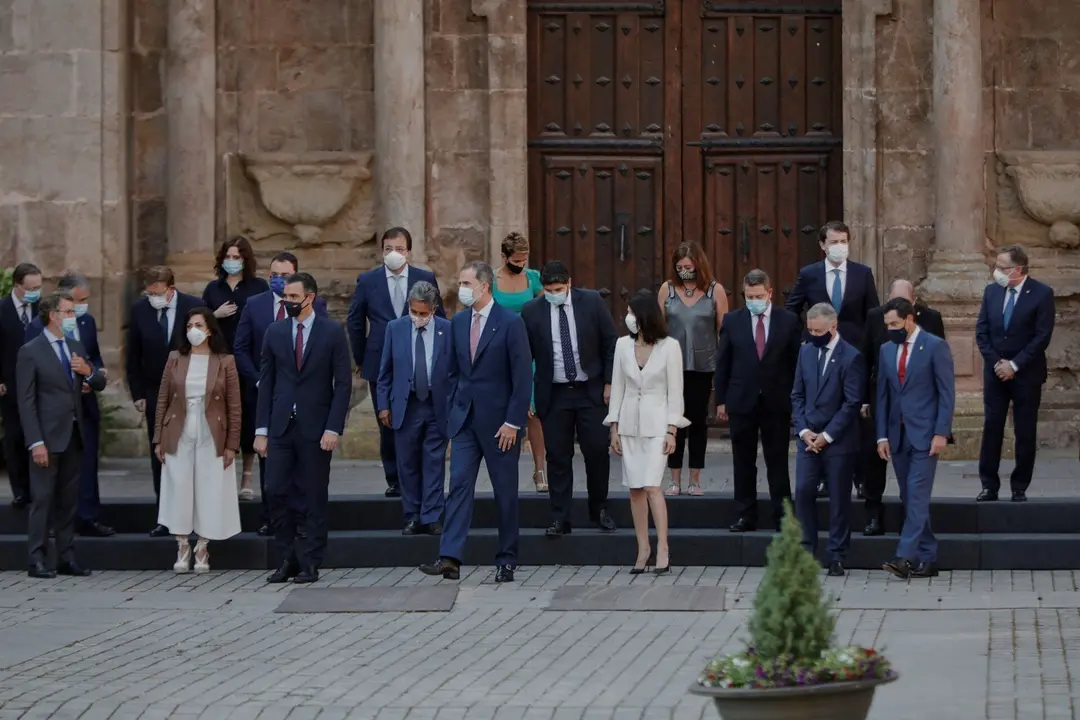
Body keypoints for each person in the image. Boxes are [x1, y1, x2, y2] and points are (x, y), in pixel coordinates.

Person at [419, 262, 532, 583]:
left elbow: (522, 377)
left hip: (500, 426)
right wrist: (453, 412)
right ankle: (450, 557)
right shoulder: (458, 323)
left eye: (466, 282)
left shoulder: (510, 323)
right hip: (466, 421)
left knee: (505, 492)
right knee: (458, 488)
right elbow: (452, 371)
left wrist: (513, 421)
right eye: (460, 282)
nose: (461, 288)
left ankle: (507, 558)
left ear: (484, 286)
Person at [256, 273, 352, 585]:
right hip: (281, 427)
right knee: (275, 490)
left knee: (313, 495)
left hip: (316, 428)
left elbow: (343, 385)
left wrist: (333, 428)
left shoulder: (332, 332)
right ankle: (287, 558)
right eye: (286, 297)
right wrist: (261, 429)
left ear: (309, 297)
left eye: (294, 298)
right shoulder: (274, 332)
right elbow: (266, 382)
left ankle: (311, 560)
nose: (288, 303)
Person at [233, 251, 328, 536]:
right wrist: (260, 380)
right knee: (269, 460)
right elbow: (241, 347)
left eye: (284, 276)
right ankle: (270, 518)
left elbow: (319, 347)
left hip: (301, 398)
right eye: (273, 275)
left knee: (300, 463)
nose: (277, 280)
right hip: (266, 395)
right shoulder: (254, 304)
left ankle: (299, 518)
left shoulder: (316, 305)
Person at [521, 261, 618, 535]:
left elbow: (610, 342)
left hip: (590, 390)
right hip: (555, 393)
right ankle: (560, 517)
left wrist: (609, 382)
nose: (554, 293)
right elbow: (524, 355)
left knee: (597, 451)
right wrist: (526, 396)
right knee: (558, 456)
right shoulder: (532, 311)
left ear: (569, 284)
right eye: (549, 289)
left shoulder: (592, 302)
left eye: (559, 288)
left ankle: (599, 509)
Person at [347, 228, 444, 498]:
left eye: (399, 249)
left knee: (420, 421)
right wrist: (361, 357)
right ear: (382, 251)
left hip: (419, 361)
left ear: (409, 252)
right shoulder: (368, 280)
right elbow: (355, 321)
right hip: (380, 362)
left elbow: (441, 319)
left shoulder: (424, 278)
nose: (394, 254)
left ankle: (422, 477)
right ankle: (395, 479)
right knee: (387, 422)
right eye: (388, 248)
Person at [17, 291, 107, 578]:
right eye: (68, 312)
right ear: (53, 315)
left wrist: (88, 373)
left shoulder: (75, 345)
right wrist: (36, 441)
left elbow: (97, 381)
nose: (73, 316)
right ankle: (37, 558)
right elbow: (26, 401)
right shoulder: (30, 350)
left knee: (69, 500)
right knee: (43, 498)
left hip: (74, 433)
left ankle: (66, 556)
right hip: (46, 436)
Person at [786, 220, 879, 497]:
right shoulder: (810, 274)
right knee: (823, 412)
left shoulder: (863, 274)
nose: (840, 247)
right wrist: (804, 340)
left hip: (853, 357)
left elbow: (872, 315)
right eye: (834, 242)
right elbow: (792, 309)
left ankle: (860, 478)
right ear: (822, 245)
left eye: (844, 241)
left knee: (857, 415)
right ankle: (825, 477)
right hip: (820, 354)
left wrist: (869, 352)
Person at [23, 271, 114, 537]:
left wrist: (92, 372)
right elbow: (32, 375)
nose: (79, 311)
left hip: (83, 409)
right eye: (73, 305)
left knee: (84, 468)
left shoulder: (85, 324)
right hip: (52, 416)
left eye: (81, 305)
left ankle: (87, 517)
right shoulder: (36, 330)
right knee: (52, 478)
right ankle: (51, 529)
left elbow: (94, 359)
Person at [153, 308, 243, 573]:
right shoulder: (175, 359)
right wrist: (158, 437)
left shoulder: (225, 361)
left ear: (210, 330)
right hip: (179, 429)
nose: (193, 329)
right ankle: (181, 544)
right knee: (178, 486)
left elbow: (234, 406)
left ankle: (202, 546)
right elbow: (162, 400)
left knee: (209, 487)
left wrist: (232, 444)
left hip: (211, 431)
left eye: (199, 325)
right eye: (189, 325)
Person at [605, 290, 687, 574]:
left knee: (653, 485)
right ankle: (643, 548)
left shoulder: (669, 347)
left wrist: (672, 430)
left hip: (657, 426)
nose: (627, 317)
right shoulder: (621, 346)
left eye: (631, 312)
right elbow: (618, 388)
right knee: (635, 489)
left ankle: (663, 546)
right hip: (629, 426)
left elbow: (675, 392)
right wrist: (614, 427)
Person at [715, 270, 801, 533]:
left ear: (770, 293)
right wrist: (721, 400)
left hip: (776, 401)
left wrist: (797, 402)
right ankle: (745, 515)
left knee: (777, 462)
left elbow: (796, 364)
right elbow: (724, 363)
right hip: (742, 401)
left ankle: (783, 517)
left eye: (759, 296)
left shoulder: (788, 321)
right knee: (743, 461)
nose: (754, 300)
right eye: (750, 296)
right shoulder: (732, 321)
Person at [877, 298, 955, 579]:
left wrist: (941, 432)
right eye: (887, 325)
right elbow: (883, 395)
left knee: (917, 496)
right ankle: (928, 557)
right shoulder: (886, 350)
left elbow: (946, 393)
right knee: (909, 496)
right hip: (897, 436)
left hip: (925, 435)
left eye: (895, 324)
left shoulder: (935, 346)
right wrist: (881, 436)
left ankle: (904, 557)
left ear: (910, 319)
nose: (891, 329)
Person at [860, 279, 945, 535]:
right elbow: (865, 360)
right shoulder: (876, 317)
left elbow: (940, 373)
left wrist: (941, 428)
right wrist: (864, 399)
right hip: (883, 398)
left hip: (918, 409)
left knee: (914, 486)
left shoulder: (931, 321)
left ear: (913, 305)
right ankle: (873, 514)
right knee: (874, 460)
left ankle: (910, 541)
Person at [125, 266, 203, 537]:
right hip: (154, 393)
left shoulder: (194, 306)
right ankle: (165, 518)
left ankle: (193, 517)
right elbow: (132, 355)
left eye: (158, 293)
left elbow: (207, 349)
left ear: (171, 289)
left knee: (191, 453)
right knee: (161, 456)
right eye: (149, 293)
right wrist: (137, 394)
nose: (153, 297)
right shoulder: (140, 310)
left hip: (190, 392)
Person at [975, 244, 1055, 503]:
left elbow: (1042, 336)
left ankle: (1019, 486)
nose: (996, 271)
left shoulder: (1041, 293)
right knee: (992, 427)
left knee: (1025, 430)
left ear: (1018, 269)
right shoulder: (991, 293)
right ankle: (989, 485)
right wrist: (998, 363)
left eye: (1002, 267)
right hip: (995, 373)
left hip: (1026, 374)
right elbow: (982, 333)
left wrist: (1015, 365)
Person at [791, 303, 865, 577]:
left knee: (838, 498)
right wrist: (803, 431)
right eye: (810, 330)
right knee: (803, 492)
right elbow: (797, 394)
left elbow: (852, 402)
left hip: (838, 441)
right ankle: (806, 551)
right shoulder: (805, 351)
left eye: (818, 330)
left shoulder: (851, 357)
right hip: (807, 438)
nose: (813, 334)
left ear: (833, 326)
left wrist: (827, 435)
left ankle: (836, 555)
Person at [377, 281, 451, 535]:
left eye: (423, 313)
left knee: (434, 461)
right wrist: (383, 405)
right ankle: (412, 516)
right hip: (405, 405)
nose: (418, 318)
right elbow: (385, 371)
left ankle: (431, 515)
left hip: (435, 403)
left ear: (434, 309)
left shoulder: (447, 330)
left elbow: (454, 371)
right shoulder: (395, 328)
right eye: (414, 311)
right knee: (406, 462)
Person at [200, 237, 269, 502]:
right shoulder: (213, 288)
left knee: (249, 416)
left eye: (237, 256)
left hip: (249, 360)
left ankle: (247, 475)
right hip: (219, 358)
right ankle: (222, 473)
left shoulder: (257, 287)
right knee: (221, 417)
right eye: (228, 256)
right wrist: (213, 315)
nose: (232, 261)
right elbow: (199, 319)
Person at [658, 243, 727, 496]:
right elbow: (659, 328)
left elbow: (723, 330)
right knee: (673, 422)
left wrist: (722, 369)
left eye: (689, 266)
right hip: (672, 365)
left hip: (702, 366)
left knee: (697, 421)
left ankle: (694, 480)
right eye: (680, 267)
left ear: (698, 264)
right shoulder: (667, 289)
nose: (685, 271)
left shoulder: (714, 290)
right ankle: (674, 478)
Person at [491, 232, 548, 493]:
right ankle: (504, 472)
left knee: (533, 413)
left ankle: (539, 470)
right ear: (504, 257)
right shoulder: (491, 280)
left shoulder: (533, 279)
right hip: (500, 353)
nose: (520, 264)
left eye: (524, 259)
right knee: (505, 411)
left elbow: (545, 309)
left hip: (529, 351)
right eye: (516, 260)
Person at [0, 262, 43, 508]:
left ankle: (39, 490)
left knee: (37, 438)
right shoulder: (2, 309)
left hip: (40, 384)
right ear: (17, 286)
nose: (36, 292)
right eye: (31, 287)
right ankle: (21, 492)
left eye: (38, 287)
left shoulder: (43, 309)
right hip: (11, 386)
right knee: (15, 438)